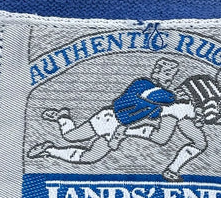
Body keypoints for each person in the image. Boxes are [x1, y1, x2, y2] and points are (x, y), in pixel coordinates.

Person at [27, 57, 179, 164]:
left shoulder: (159, 101)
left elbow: (153, 115)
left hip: (119, 128)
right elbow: (161, 97)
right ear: (156, 72)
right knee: (70, 136)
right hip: (109, 118)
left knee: (91, 156)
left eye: (172, 75)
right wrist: (177, 96)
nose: (169, 79)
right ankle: (63, 116)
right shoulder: (144, 84)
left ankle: (49, 150)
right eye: (166, 73)